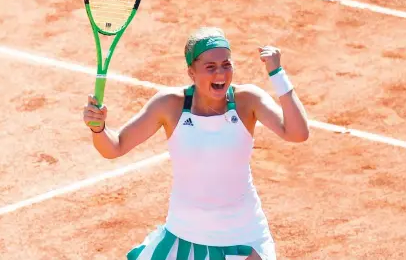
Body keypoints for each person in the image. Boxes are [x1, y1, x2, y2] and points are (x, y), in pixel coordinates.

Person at [82, 27, 309, 260]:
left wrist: (277, 75)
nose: (220, 73)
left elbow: (297, 133)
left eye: (226, 64)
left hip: (243, 234)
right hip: (184, 235)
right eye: (210, 67)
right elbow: (115, 147)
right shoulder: (169, 105)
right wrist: (98, 128)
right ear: (191, 72)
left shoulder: (247, 100)